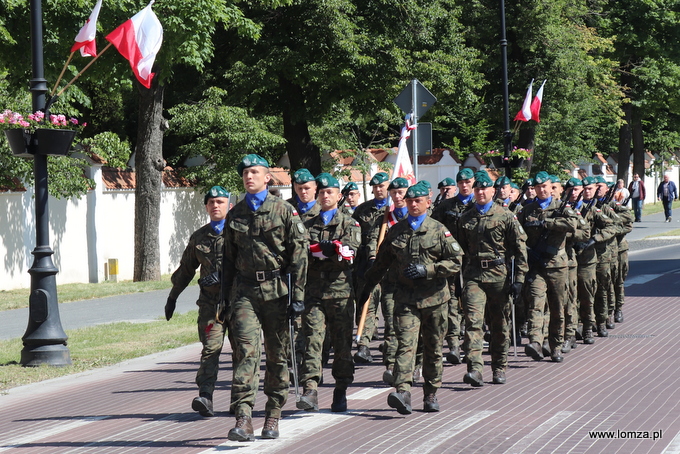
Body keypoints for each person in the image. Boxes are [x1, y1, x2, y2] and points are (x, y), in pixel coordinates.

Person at [223, 154, 309, 442]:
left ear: (267, 177)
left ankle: (273, 415)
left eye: (255, 172)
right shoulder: (235, 214)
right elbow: (228, 261)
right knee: (245, 352)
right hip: (245, 291)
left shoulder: (284, 210)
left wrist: (297, 296)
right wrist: (225, 300)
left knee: (277, 355)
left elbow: (299, 256)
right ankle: (243, 417)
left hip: (276, 292)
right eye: (245, 173)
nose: (249, 177)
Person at [360, 182, 463, 415]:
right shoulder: (397, 230)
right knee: (405, 345)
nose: (413, 205)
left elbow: (456, 262)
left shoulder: (439, 230)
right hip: (406, 299)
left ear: (428, 202)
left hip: (435, 299)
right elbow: (382, 262)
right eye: (410, 201)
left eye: (418, 201)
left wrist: (428, 270)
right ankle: (403, 390)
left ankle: (431, 392)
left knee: (433, 348)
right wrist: (366, 285)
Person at [297, 173, 360, 413]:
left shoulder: (349, 223)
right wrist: (323, 251)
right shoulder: (306, 224)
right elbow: (299, 252)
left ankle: (341, 389)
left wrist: (328, 251)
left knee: (342, 346)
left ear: (339, 195)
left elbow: (348, 254)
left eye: (330, 192)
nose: (325, 196)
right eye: (322, 192)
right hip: (313, 293)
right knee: (313, 339)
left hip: (340, 293)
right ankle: (310, 389)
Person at [165, 186, 230, 418]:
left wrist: (226, 277)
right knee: (210, 349)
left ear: (229, 205)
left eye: (220, 202)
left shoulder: (240, 233)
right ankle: (206, 396)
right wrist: (173, 297)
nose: (216, 205)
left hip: (240, 303)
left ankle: (241, 400)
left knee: (244, 352)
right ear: (206, 206)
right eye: (211, 202)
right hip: (211, 305)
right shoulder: (199, 237)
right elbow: (186, 269)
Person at [458, 170, 527, 386]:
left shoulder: (505, 215)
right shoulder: (465, 217)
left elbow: (519, 249)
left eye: (484, 188)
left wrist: (519, 280)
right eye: (477, 189)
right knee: (473, 322)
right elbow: (459, 249)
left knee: (499, 324)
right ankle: (475, 369)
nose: (480, 192)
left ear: (492, 190)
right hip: (474, 276)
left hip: (498, 276)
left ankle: (499, 367)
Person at [518, 171, 577, 363]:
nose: (541, 190)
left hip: (557, 266)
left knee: (557, 308)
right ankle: (535, 341)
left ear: (551, 187)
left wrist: (547, 223)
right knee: (536, 303)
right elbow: (519, 234)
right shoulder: (527, 210)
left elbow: (572, 224)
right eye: (537, 187)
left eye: (545, 186)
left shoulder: (561, 207)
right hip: (536, 266)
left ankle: (555, 346)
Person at [366, 177, 411, 385]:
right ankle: (392, 366)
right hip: (391, 281)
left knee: (410, 327)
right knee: (392, 323)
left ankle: (413, 364)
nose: (398, 196)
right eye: (394, 193)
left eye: (401, 192)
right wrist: (373, 259)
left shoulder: (416, 218)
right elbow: (373, 244)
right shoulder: (384, 220)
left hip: (414, 282)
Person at [432, 167, 475, 365]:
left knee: (470, 303)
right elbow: (434, 228)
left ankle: (470, 344)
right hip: (450, 260)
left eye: (468, 182)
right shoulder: (446, 205)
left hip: (473, 262)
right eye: (461, 183)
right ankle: (453, 345)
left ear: (473, 182)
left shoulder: (479, 204)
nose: (464, 186)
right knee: (450, 302)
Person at [352, 171, 390, 364]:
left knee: (390, 308)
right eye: (374, 187)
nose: (378, 190)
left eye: (381, 186)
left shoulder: (396, 210)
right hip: (368, 266)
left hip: (391, 269)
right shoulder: (362, 210)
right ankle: (363, 345)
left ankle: (390, 345)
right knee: (368, 304)